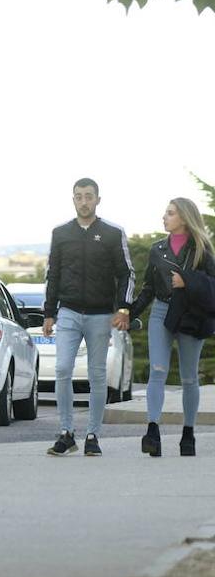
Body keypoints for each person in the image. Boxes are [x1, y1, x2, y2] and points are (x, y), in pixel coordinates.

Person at [44, 178, 135, 457]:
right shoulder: (61, 233)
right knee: (61, 370)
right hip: (69, 312)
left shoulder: (111, 233)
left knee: (97, 375)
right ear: (73, 200)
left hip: (100, 315)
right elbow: (53, 274)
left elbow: (126, 273)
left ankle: (93, 434)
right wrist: (49, 313)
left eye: (88, 196)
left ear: (98, 199)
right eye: (79, 197)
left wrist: (123, 308)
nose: (84, 201)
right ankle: (66, 433)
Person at [129, 198, 215, 457]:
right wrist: (127, 313)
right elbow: (148, 288)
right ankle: (152, 431)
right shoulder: (157, 250)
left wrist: (186, 281)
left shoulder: (202, 249)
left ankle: (188, 434)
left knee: (189, 377)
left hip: (190, 315)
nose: (164, 217)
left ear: (184, 218)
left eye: (170, 213)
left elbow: (212, 284)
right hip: (161, 312)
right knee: (158, 370)